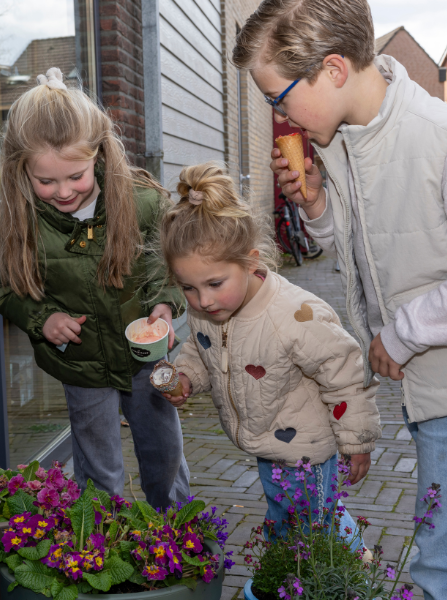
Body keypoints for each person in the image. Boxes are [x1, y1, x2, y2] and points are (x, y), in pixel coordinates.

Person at [232, 1, 447, 598]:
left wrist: (402, 334)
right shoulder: (354, 140)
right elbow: (362, 246)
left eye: (278, 98)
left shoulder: (441, 143)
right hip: (441, 383)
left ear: (331, 70)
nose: (278, 116)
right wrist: (316, 209)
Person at [0, 67, 190, 509]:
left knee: (164, 452)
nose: (63, 192)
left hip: (145, 359)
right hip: (81, 364)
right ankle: (100, 548)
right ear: (21, 170)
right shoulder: (16, 223)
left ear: (98, 154)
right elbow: (0, 281)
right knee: (97, 468)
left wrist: (165, 309)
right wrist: (43, 320)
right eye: (46, 181)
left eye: (76, 176)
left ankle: (179, 535)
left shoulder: (143, 201)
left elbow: (167, 267)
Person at [158, 162, 381, 548]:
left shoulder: (293, 315)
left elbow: (346, 370)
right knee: (299, 521)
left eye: (214, 283)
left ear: (251, 261)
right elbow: (202, 348)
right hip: (269, 445)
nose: (202, 300)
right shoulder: (208, 312)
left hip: (307, 451)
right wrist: (186, 377)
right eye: (188, 288)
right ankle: (334, 571)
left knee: (305, 531)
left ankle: (339, 579)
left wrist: (357, 440)